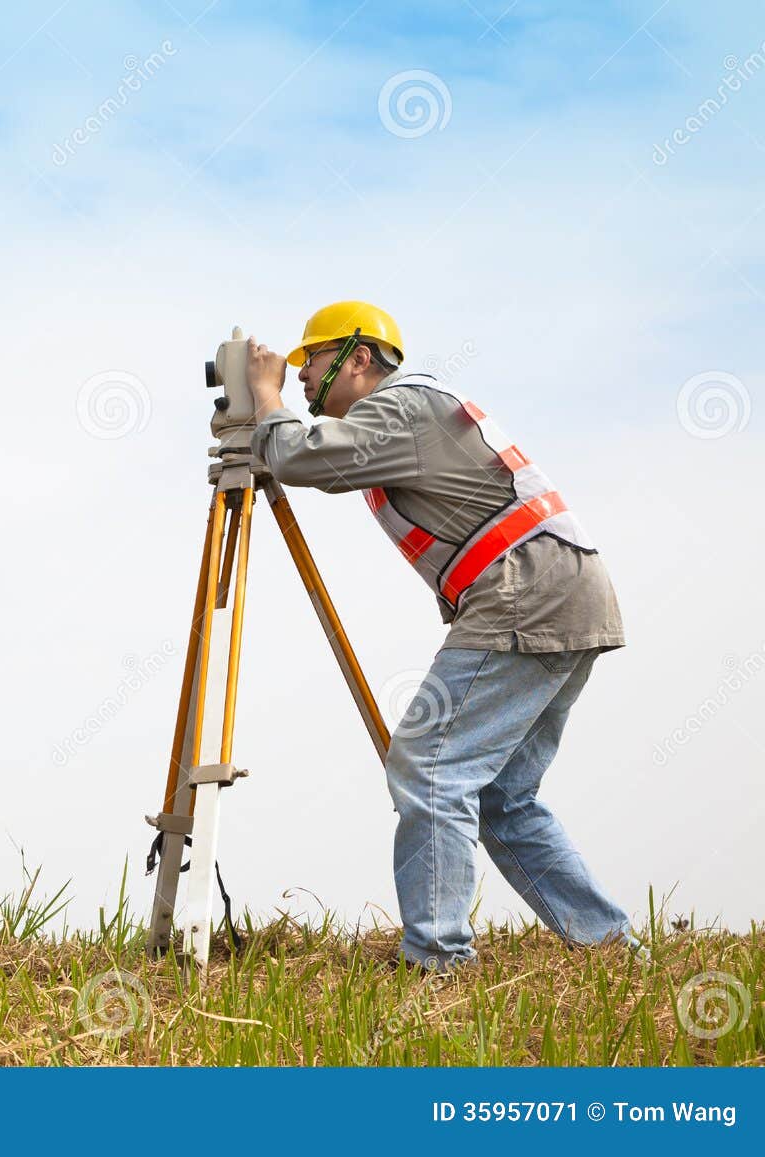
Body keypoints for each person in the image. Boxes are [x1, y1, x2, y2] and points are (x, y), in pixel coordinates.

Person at [240, 300, 639, 971]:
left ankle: (439, 959)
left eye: (311, 359)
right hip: (562, 591)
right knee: (500, 799)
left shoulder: (398, 404)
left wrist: (263, 395)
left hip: (527, 591)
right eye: (296, 365)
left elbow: (305, 460)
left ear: (359, 358)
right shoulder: (413, 410)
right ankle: (610, 947)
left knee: (429, 764)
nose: (302, 375)